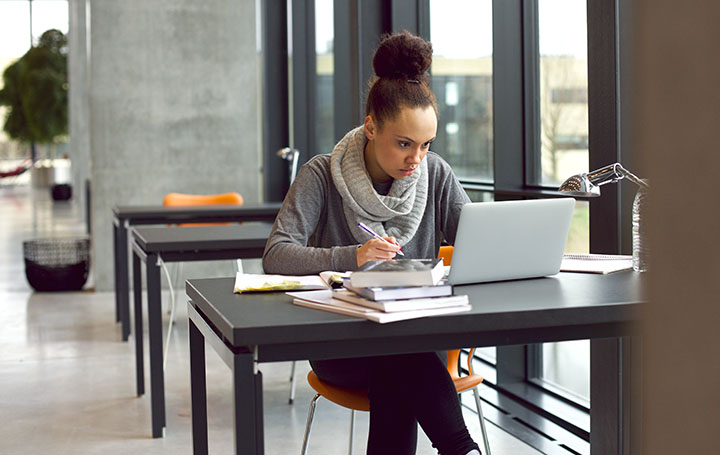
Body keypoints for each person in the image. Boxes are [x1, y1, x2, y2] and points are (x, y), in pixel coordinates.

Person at [262, 30, 481, 455]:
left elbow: (477, 243)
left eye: (425, 145)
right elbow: (276, 254)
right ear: (371, 126)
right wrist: (353, 256)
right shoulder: (320, 175)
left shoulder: (435, 174)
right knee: (398, 356)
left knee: (397, 357)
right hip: (341, 346)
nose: (415, 159)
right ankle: (460, 448)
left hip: (415, 340)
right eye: (403, 144)